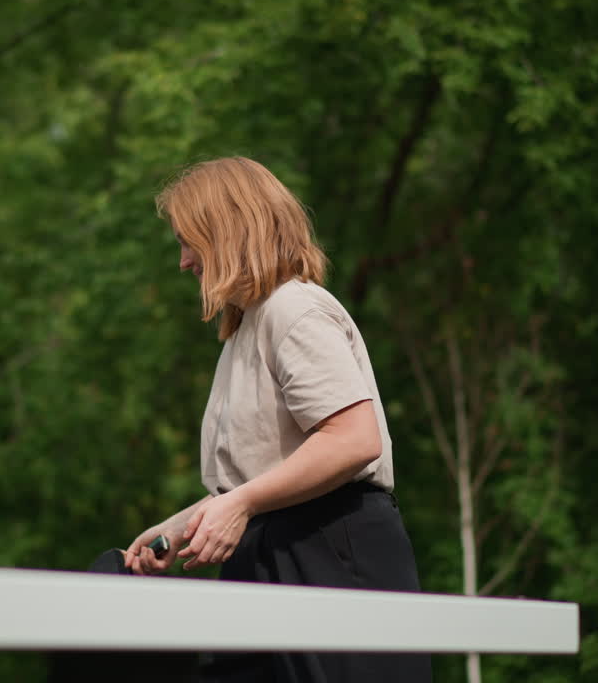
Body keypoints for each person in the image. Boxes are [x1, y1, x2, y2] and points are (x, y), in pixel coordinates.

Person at [124, 157, 433, 682]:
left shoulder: (295, 310)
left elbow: (356, 439)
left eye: (188, 240)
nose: (182, 262)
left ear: (227, 229)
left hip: (333, 553)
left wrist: (241, 504)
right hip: (270, 555)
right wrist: (177, 531)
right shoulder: (246, 328)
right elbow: (259, 474)